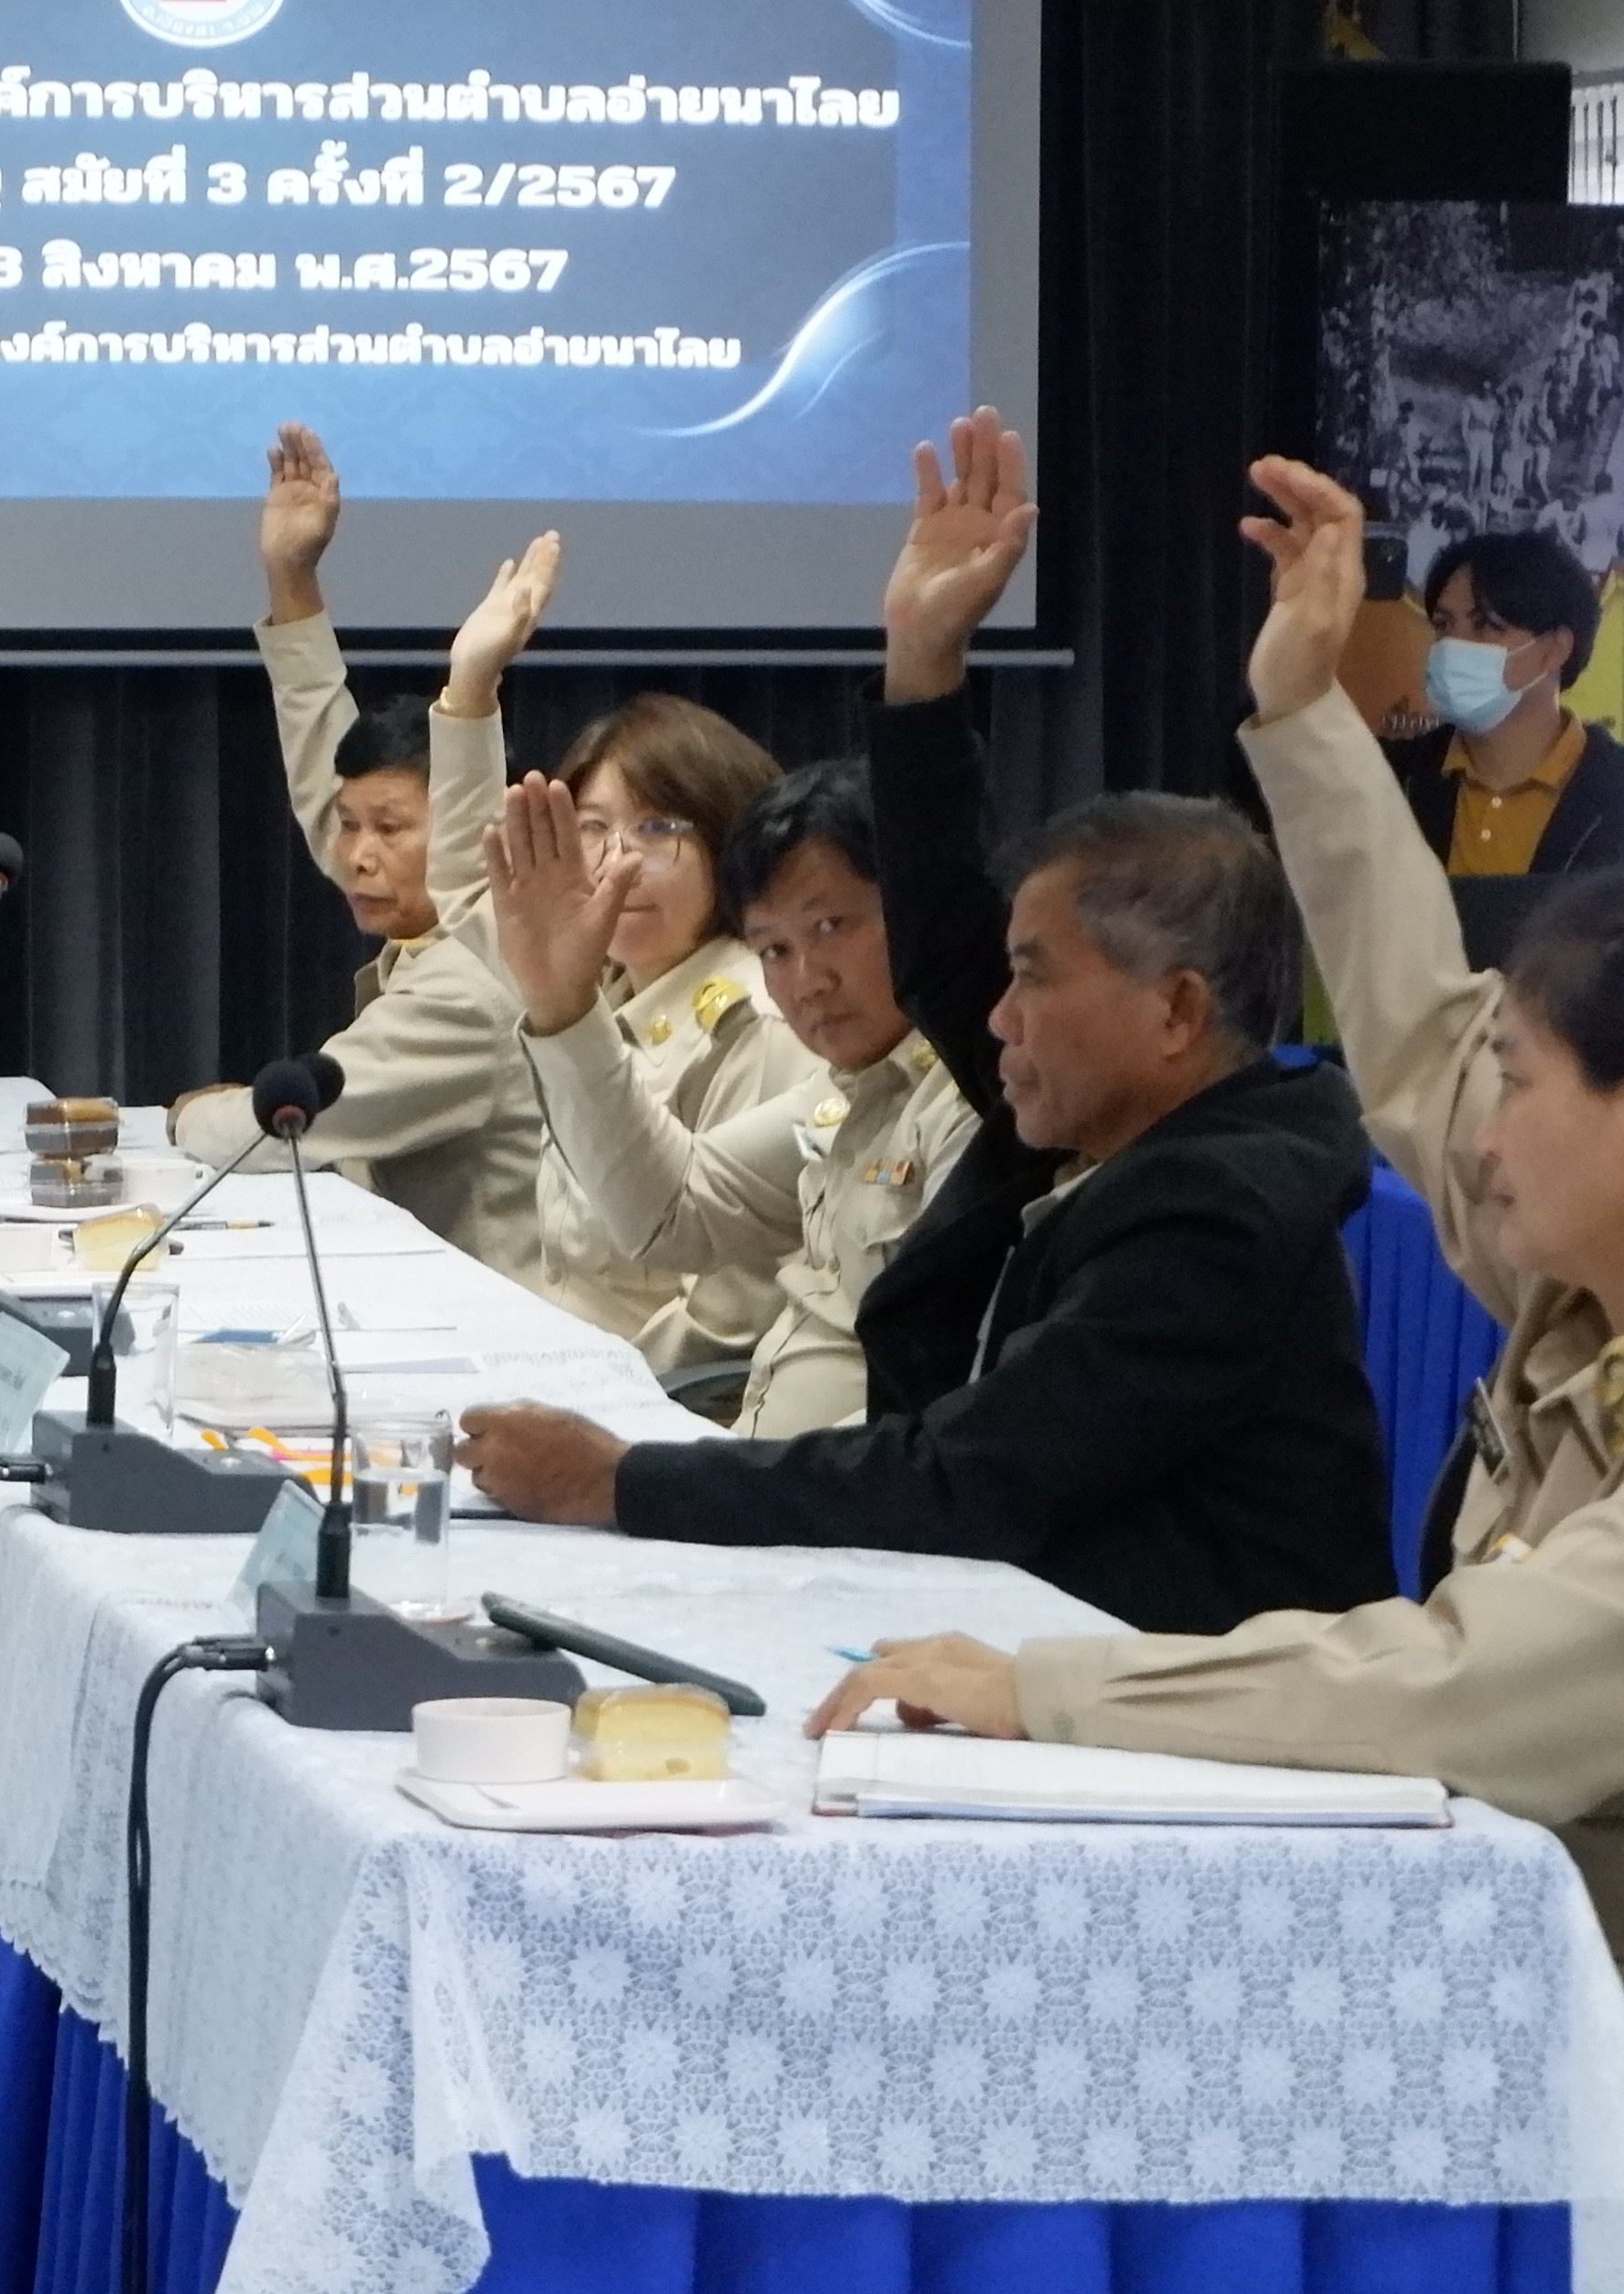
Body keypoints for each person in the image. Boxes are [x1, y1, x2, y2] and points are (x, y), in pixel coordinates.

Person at [816, 454, 1624, 2209]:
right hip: (1531, 1968)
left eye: (1524, 1084)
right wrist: (1301, 706)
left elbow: (1454, 1690)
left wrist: (1041, 1689)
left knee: (1129, 2113)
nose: (1474, 1136)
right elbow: (1420, 1035)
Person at [465, 410, 1393, 1634]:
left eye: (1034, 979)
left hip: (1189, 1693)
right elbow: (948, 935)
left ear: (1176, 1010)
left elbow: (969, 1477)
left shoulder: (1214, 1213)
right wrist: (921, 657)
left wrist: (620, 1483)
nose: (993, 1016)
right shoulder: (1109, 1124)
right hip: (1042, 1631)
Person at [164, 423, 554, 1281]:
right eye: (350, 826)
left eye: (392, 827)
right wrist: (290, 576)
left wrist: (189, 1114)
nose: (357, 854)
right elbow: (322, 764)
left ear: (472, 831)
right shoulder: (432, 930)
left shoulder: (468, 989)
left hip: (507, 1326)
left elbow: (282, 1128)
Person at [486, 752, 974, 1433]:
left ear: (921, 908)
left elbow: (950, 1415)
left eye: (830, 928)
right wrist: (562, 1003)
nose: (807, 979)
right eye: (774, 949)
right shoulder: (848, 1092)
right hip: (753, 1464)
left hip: (821, 1486)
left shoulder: (974, 1100)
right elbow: (671, 1213)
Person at [493, 689, 805, 1370]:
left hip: (650, 1392)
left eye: (658, 830)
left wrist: (575, 1387)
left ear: (729, 843)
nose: (619, 863)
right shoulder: (597, 996)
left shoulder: (757, 1021)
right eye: (591, 829)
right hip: (553, 1350)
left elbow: (727, 1321)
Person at [1377, 526, 1624, 966]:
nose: (1454, 645)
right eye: (1443, 625)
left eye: (1485, 625)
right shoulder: (1393, 777)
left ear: (1554, 649)